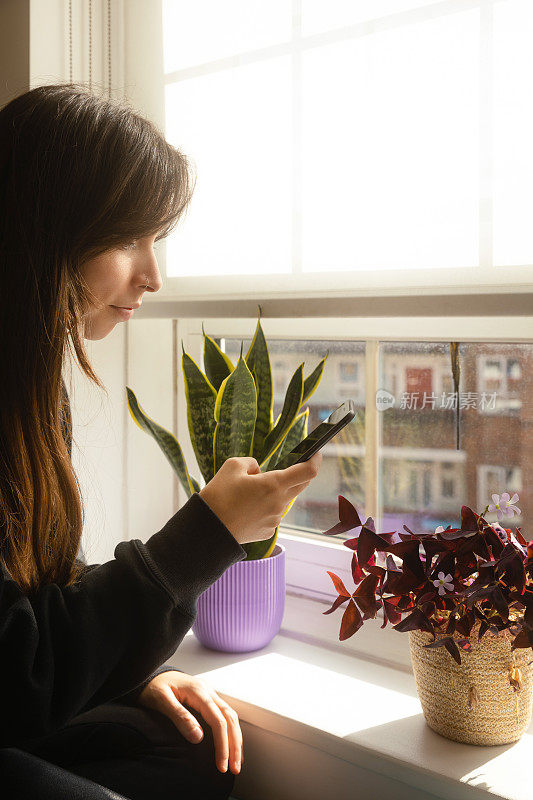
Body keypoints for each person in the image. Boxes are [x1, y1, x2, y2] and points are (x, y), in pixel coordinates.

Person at [0, 83, 323, 799]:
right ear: (41, 231)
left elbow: (37, 589)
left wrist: (140, 671)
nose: (153, 275)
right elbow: (20, 677)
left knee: (197, 748)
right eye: (125, 240)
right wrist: (207, 533)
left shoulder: (29, 385)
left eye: (157, 240)